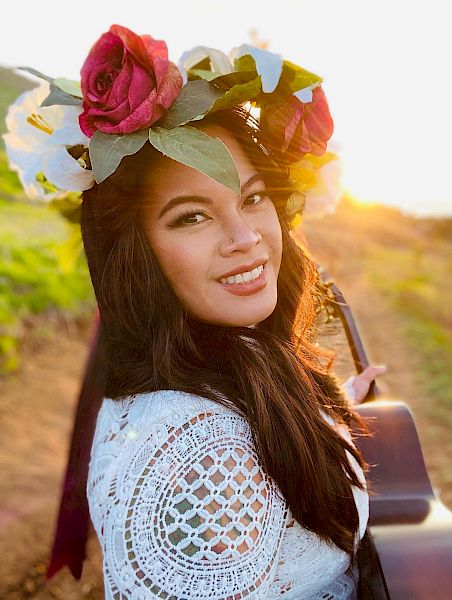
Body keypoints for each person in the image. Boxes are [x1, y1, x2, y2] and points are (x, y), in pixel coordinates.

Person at [4, 24, 387, 599]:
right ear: (137, 256)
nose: (245, 238)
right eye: (192, 216)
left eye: (253, 198)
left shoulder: (226, 362)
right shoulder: (202, 456)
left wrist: (330, 408)